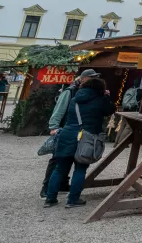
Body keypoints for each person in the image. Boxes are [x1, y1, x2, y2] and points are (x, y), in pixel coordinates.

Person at [44, 74, 115, 208]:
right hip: (86, 136)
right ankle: (73, 199)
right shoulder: (100, 100)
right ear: (100, 88)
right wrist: (106, 96)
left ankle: (50, 198)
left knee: (60, 169)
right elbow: (111, 110)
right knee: (80, 168)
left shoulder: (75, 99)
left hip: (67, 134)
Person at [40, 70, 95, 198]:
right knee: (57, 159)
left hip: (79, 130)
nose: (93, 80)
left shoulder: (89, 93)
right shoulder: (69, 92)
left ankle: (63, 184)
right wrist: (54, 127)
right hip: (64, 129)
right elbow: (59, 110)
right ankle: (46, 188)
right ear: (83, 79)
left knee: (73, 157)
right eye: (91, 78)